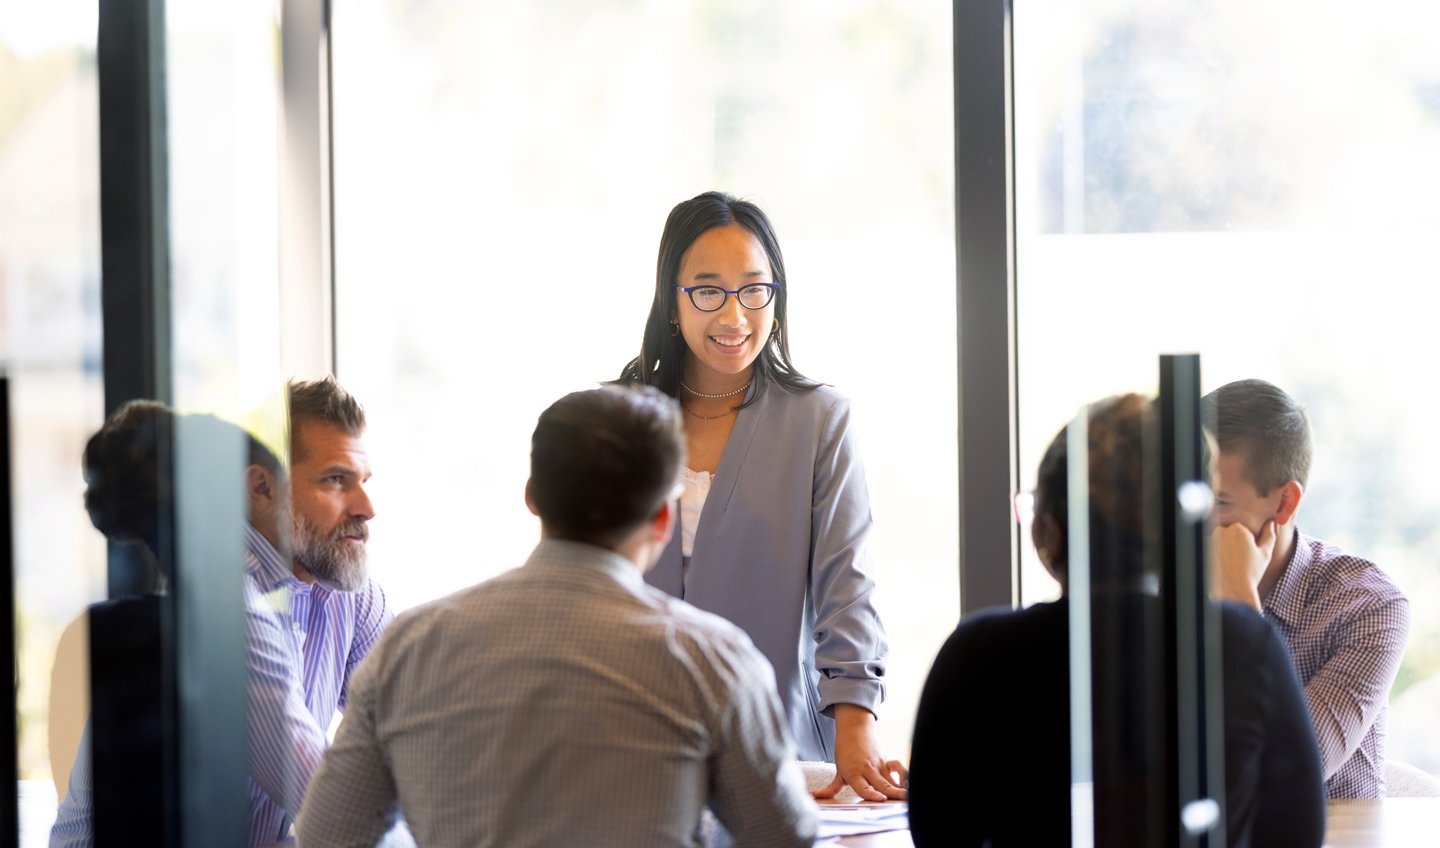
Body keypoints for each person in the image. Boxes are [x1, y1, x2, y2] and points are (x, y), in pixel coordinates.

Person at [296, 385, 816, 848]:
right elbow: (783, 837)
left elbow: (327, 836)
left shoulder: (406, 647)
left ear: (532, 498)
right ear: (662, 519)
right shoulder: (714, 661)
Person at [908, 394, 1327, 847]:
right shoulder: (1241, 644)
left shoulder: (977, 652)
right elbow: (1297, 832)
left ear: (1048, 527)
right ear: (1185, 528)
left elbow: (937, 833)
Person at [615, 191, 902, 801]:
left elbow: (846, 587)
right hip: (633, 747)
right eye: (709, 290)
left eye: (754, 289)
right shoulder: (614, 420)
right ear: (672, 301)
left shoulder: (819, 421)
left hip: (779, 748)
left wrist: (855, 725)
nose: (734, 315)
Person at [51, 377, 393, 847]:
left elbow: (415, 742)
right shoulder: (227, 603)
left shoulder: (347, 589)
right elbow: (339, 810)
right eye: (336, 480)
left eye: (364, 482)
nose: (367, 507)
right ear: (261, 488)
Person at [1205, 378, 1410, 798]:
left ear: (1284, 503)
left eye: (1218, 503)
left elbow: (1284, 775)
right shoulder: (1165, 590)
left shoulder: (1368, 606)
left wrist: (1239, 610)